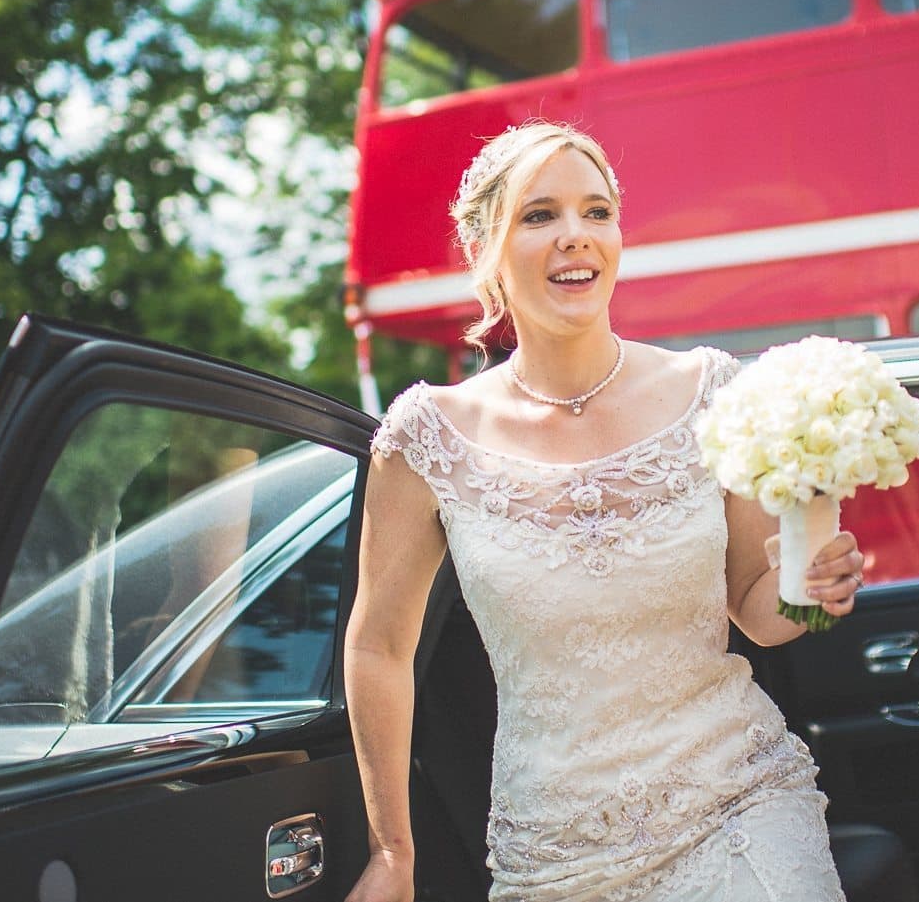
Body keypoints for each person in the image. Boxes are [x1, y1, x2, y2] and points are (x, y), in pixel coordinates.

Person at [343, 121, 863, 902]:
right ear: (488, 246)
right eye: (540, 215)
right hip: (557, 853)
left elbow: (760, 608)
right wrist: (392, 852)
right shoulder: (425, 440)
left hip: (740, 808)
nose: (575, 237)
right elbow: (380, 645)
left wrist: (817, 594)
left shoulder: (711, 392)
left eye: (596, 212)